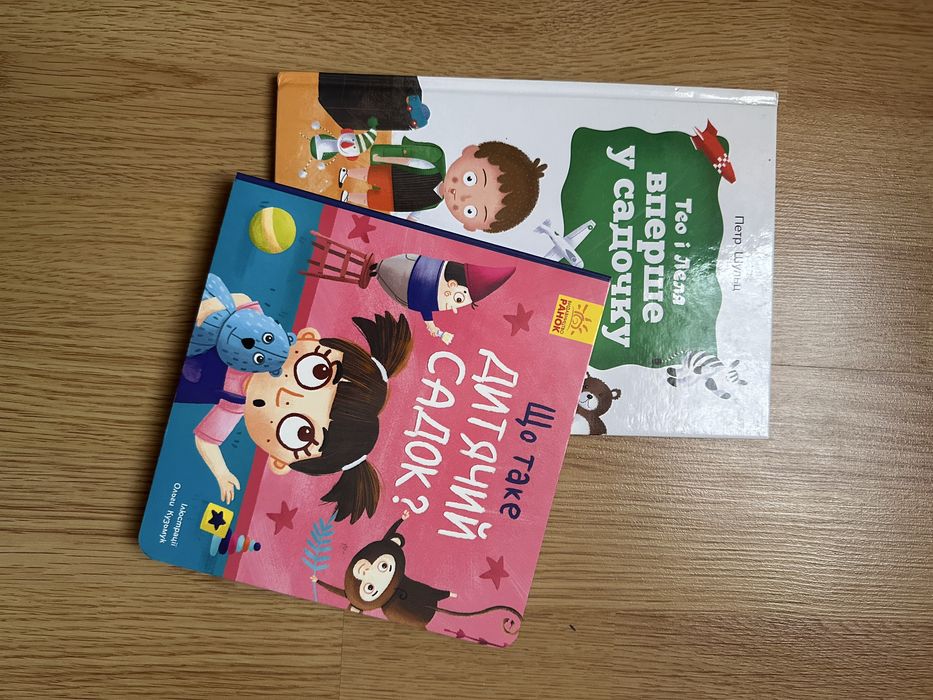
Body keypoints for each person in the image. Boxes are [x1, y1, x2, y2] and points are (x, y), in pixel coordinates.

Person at [187, 311, 413, 524]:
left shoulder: (231, 410)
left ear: (280, 462)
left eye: (301, 432)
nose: (287, 396)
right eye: (318, 372)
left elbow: (207, 441)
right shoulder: (260, 330)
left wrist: (222, 473)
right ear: (307, 337)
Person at [338, 139, 546, 233]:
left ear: (471, 226)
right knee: (370, 175)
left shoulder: (432, 203)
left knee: (370, 200)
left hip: (395, 201)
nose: (461, 196)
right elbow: (410, 162)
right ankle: (347, 173)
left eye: (471, 211)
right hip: (394, 177)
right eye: (470, 179)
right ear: (470, 151)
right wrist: (385, 158)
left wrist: (409, 224)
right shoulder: (432, 169)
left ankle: (347, 197)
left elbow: (416, 214)